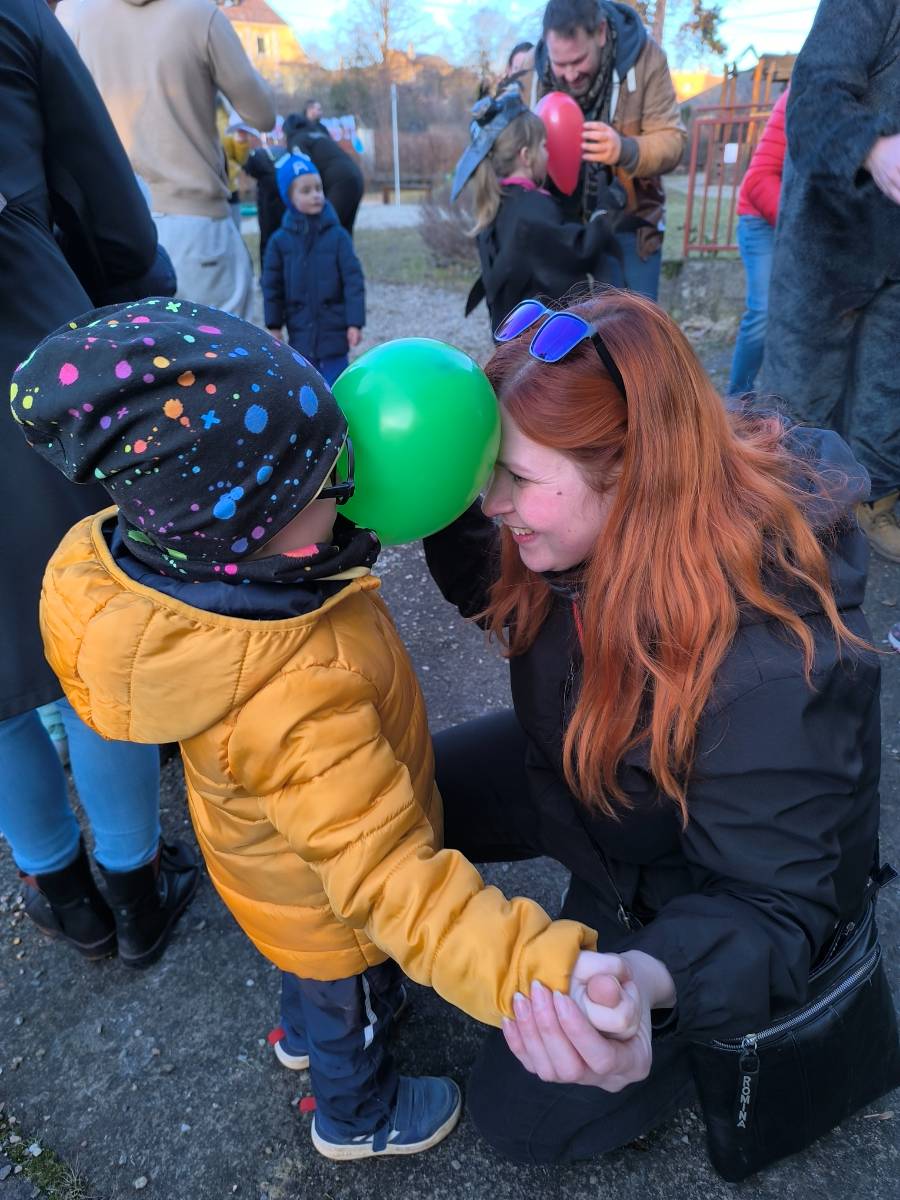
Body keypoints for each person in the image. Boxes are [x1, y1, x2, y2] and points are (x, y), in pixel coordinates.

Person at [14, 299, 636, 1160]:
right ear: (256, 529)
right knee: (349, 1000)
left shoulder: (199, 597)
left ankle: (302, 1031)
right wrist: (538, 970)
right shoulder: (297, 686)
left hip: (273, 872)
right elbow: (386, 881)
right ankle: (358, 1116)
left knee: (305, 970)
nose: (350, 484)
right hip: (329, 903)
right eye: (325, 480)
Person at [422, 289, 882, 1163]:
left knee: (521, 1116)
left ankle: (673, 1004)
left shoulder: (769, 662)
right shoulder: (572, 523)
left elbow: (775, 904)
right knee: (404, 791)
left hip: (688, 869)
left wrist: (641, 981)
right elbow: (488, 579)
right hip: (584, 762)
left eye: (516, 478)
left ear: (631, 472)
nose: (491, 503)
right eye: (487, 470)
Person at [0, 0, 198, 968]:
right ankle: (134, 885)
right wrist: (141, 317)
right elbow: (107, 202)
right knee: (91, 628)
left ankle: (62, 892)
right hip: (27, 361)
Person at [762, 0, 900, 563]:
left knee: (885, 395)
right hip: (824, 246)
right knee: (795, 405)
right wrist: (872, 146)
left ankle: (871, 505)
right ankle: (774, 528)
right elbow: (812, 99)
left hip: (894, 252)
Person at [57, 0, 276, 318]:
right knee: (220, 347)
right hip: (197, 226)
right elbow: (263, 115)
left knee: (132, 348)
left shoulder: (75, 15)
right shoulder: (200, 14)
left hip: (115, 232)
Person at [532, 0, 685, 300]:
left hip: (629, 223)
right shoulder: (533, 68)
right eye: (560, 64)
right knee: (561, 324)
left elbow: (673, 140)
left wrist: (626, 150)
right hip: (559, 224)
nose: (570, 75)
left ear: (601, 32)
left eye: (578, 60)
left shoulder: (646, 58)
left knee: (633, 323)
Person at [452, 91, 618, 331]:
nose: (548, 153)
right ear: (526, 156)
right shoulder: (532, 208)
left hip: (512, 337)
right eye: (543, 146)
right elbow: (579, 252)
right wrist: (604, 210)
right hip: (544, 340)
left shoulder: (495, 204)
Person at [262, 153, 365, 387]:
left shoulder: (338, 237)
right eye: (306, 191)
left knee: (337, 388)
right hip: (300, 334)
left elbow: (353, 280)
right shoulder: (279, 242)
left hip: (334, 335)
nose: (316, 195)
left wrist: (354, 322)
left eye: (319, 188)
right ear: (290, 198)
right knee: (306, 387)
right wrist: (274, 326)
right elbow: (272, 286)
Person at [727, 87, 788, 395]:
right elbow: (756, 181)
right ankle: (738, 401)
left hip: (803, 226)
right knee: (763, 310)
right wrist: (797, 228)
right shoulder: (797, 96)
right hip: (760, 220)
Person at [283, 111, 365, 236]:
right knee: (344, 230)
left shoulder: (297, 140)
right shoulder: (319, 135)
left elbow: (304, 170)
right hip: (356, 176)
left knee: (324, 230)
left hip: (338, 182)